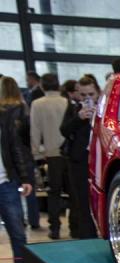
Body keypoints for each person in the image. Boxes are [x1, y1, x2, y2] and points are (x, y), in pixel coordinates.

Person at [0, 77, 35, 263]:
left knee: (17, 232)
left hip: (7, 184)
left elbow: (15, 149)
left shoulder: (4, 121)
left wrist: (25, 178)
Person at [59, 75, 99, 239]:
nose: (87, 98)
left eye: (91, 94)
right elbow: (64, 130)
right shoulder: (74, 109)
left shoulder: (107, 109)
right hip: (79, 161)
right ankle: (87, 238)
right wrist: (79, 118)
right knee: (82, 203)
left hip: (100, 161)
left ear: (98, 92)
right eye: (83, 95)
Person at [30, 73, 68, 239]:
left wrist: (36, 152)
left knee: (54, 192)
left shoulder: (37, 104)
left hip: (51, 154)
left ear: (42, 86)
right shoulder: (67, 102)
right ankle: (77, 226)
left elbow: (35, 130)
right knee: (74, 192)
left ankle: (55, 228)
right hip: (70, 153)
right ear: (58, 85)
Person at [0, 77, 39, 231]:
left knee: (13, 192)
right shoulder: (23, 108)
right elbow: (28, 134)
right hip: (23, 155)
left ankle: (19, 220)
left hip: (8, 158)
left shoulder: (3, 112)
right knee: (29, 190)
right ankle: (33, 220)